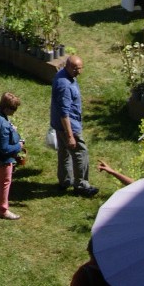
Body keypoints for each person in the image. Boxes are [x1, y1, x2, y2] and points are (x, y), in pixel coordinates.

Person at [51, 57, 98, 197]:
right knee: (80, 153)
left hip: (59, 125)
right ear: (68, 67)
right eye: (76, 69)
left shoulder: (62, 74)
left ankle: (64, 181)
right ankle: (81, 185)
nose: (79, 72)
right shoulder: (64, 85)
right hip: (69, 126)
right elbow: (64, 113)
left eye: (80, 68)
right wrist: (70, 135)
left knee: (64, 153)